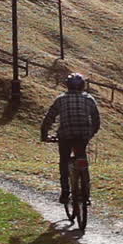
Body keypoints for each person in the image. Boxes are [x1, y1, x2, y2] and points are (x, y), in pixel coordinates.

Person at [40, 73, 101, 204]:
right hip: (83, 135)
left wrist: (44, 134)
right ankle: (86, 194)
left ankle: (65, 192)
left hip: (65, 135)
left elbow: (49, 118)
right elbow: (96, 120)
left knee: (64, 161)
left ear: (67, 86)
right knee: (82, 159)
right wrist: (91, 133)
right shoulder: (89, 99)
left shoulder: (60, 99)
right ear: (82, 86)